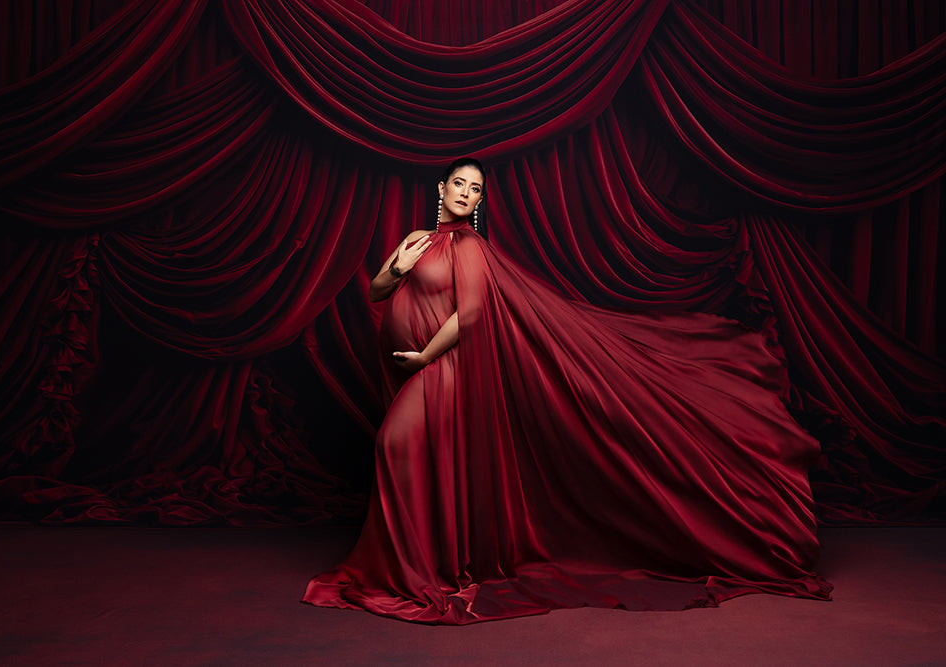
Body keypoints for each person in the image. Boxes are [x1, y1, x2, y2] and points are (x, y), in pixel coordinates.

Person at [302, 157, 832, 624]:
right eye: (459, 184)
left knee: (395, 446)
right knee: (419, 459)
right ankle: (422, 567)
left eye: (476, 189)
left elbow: (473, 315)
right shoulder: (417, 241)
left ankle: (414, 572)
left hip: (447, 370)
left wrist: (423, 355)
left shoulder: (471, 249)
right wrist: (397, 266)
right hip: (421, 369)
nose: (466, 193)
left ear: (479, 201)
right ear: (440, 189)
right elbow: (376, 292)